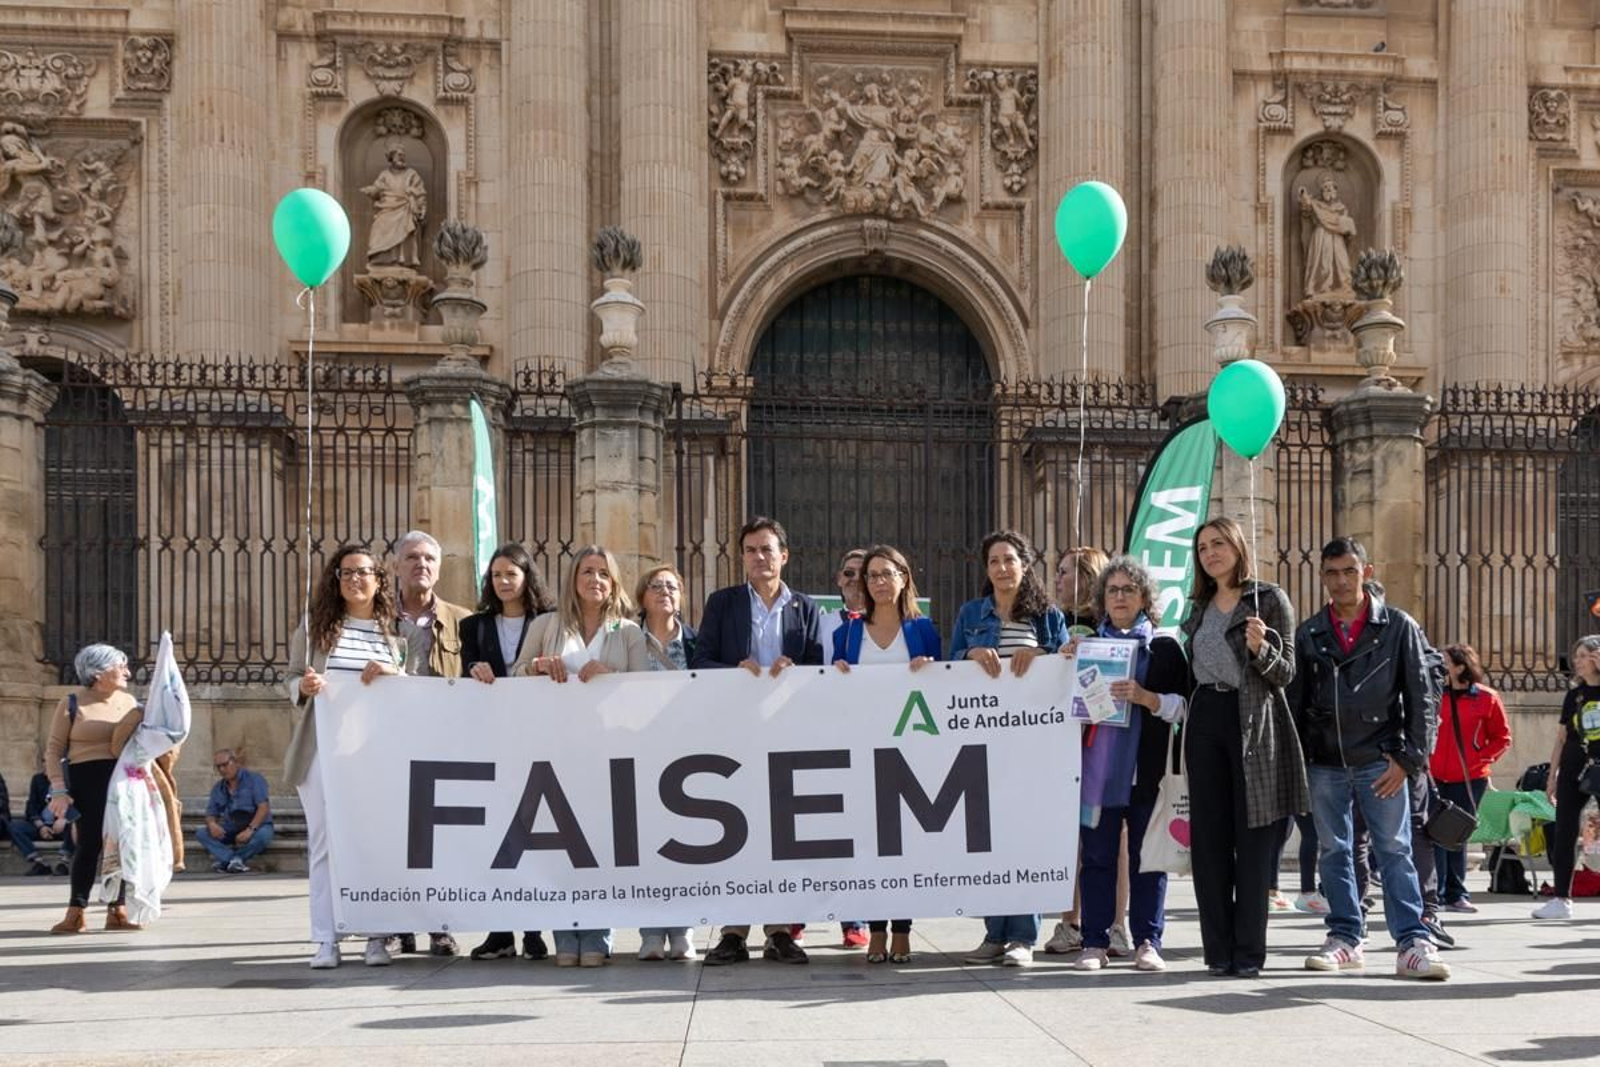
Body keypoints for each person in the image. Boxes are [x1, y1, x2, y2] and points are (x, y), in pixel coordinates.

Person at [1290, 536, 1449, 980]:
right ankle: (1345, 937)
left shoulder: (1398, 626)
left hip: (1382, 759)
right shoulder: (1309, 632)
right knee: (1334, 851)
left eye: (1349, 571)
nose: (1341, 581)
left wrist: (1409, 759)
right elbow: (1296, 702)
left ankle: (1412, 941)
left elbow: (1421, 696)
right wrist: (1300, 763)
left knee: (1394, 849)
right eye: (1332, 573)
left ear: (1367, 573)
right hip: (1324, 761)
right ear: (1322, 576)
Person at [693, 516, 824, 966]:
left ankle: (779, 931)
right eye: (750, 550)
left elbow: (819, 670)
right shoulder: (723, 603)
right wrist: (734, 672)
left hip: (787, 737)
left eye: (767, 549)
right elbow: (700, 660)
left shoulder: (806, 608)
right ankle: (733, 932)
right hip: (734, 736)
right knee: (735, 831)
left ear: (783, 556)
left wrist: (796, 672)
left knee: (782, 833)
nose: (758, 557)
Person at [1180, 517, 1308, 978]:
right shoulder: (1198, 607)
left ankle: (1249, 954)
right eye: (1202, 548)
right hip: (1205, 719)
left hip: (1252, 720)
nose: (1210, 553)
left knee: (1253, 841)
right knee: (1209, 842)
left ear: (1238, 547)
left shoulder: (1268, 599)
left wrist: (1261, 650)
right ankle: (1218, 952)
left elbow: (1287, 673)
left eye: (1218, 544)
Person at [512, 545, 646, 967]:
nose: (595, 580)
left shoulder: (628, 632)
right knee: (562, 847)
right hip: (556, 750)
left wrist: (613, 676)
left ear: (614, 582)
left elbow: (646, 689)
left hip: (609, 753)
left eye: (603, 573)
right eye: (587, 571)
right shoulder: (546, 624)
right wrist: (536, 667)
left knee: (601, 845)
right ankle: (565, 936)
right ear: (573, 578)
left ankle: (597, 936)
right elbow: (514, 674)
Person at [951, 529, 1068, 968]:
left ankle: (1022, 936)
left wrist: (1041, 655)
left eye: (1009, 559)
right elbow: (950, 662)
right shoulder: (971, 613)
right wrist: (970, 654)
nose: (1002, 568)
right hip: (983, 741)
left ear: (1024, 564)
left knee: (1025, 837)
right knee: (987, 837)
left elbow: (1065, 662)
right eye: (994, 561)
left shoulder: (1048, 616)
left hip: (1032, 743)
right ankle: (993, 934)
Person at [1066, 555, 1188, 973]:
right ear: (1102, 598)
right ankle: (1094, 942)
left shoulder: (1164, 648)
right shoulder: (1084, 647)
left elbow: (1183, 708)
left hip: (1145, 774)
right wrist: (1065, 662)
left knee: (1147, 860)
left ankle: (1148, 941)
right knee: (1097, 858)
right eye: (1112, 590)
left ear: (1144, 598)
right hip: (1096, 776)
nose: (1120, 597)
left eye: (1129, 590)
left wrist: (1146, 698)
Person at [286, 544, 405, 968]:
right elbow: (290, 678)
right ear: (335, 580)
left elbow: (414, 686)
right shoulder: (314, 629)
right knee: (323, 844)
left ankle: (376, 936)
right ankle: (325, 938)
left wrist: (393, 673)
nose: (355, 579)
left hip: (375, 753)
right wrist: (302, 687)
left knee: (373, 842)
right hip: (321, 749)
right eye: (346, 572)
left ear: (378, 579)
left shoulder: (395, 632)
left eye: (364, 572)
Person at [830, 544, 940, 964]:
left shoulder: (923, 629)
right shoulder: (847, 634)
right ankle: (876, 929)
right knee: (872, 846)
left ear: (903, 578)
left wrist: (931, 669)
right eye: (871, 575)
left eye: (886, 574)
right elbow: (831, 692)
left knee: (905, 846)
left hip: (912, 750)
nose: (878, 582)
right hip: (863, 752)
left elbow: (946, 684)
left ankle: (902, 931)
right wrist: (836, 673)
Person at [460, 542, 556, 963]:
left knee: (532, 831)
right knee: (497, 832)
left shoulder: (548, 621)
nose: (503, 582)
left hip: (537, 737)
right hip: (493, 739)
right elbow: (466, 671)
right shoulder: (474, 627)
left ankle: (534, 928)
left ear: (526, 577)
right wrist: (474, 670)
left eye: (510, 574)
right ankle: (500, 931)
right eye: (496, 575)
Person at [393, 529, 470, 958]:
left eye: (428, 559)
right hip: (389, 745)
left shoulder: (462, 620)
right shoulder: (375, 618)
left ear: (439, 569)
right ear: (395, 566)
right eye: (412, 558)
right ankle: (398, 924)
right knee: (394, 837)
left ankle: (441, 925)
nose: (421, 565)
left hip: (443, 745)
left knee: (440, 841)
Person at [1044, 546, 1124, 956]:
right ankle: (1070, 921)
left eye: (1064, 572)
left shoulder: (1111, 624)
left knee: (1114, 834)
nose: (1057, 579)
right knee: (1069, 833)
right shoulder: (1054, 622)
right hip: (1064, 740)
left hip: (1105, 741)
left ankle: (1118, 924)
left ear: (1088, 576)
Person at [45, 644, 144, 934]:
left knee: (122, 844)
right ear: (98, 673)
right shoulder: (72, 702)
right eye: (120, 666)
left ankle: (117, 910)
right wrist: (59, 789)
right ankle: (76, 913)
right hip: (86, 780)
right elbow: (53, 749)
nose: (127, 672)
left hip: (122, 779)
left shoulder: (130, 702)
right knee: (89, 844)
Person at [635, 563, 699, 962]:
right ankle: (650, 932)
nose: (665, 592)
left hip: (685, 753)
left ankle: (683, 929)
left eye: (672, 586)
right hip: (639, 751)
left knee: (686, 843)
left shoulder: (696, 642)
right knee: (646, 843)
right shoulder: (626, 640)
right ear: (642, 597)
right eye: (656, 586)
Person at [816, 547, 872, 951]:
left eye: (863, 574)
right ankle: (797, 915)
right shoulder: (821, 623)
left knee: (859, 832)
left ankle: (855, 917)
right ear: (838, 580)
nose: (855, 581)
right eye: (849, 573)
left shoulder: (891, 625)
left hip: (869, 738)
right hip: (823, 735)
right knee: (814, 829)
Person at [1431, 643, 1511, 913]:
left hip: (1469, 777)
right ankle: (1435, 893)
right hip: (1433, 775)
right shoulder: (1433, 695)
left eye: (1444, 662)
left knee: (1456, 834)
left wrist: (1479, 758)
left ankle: (1456, 893)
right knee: (1433, 833)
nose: (1439, 666)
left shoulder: (1487, 698)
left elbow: (1502, 737)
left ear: (1460, 667)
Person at [1534, 634, 1600, 920]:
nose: (1577, 661)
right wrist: (1552, 776)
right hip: (1574, 766)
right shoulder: (1575, 695)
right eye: (1576, 656)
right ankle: (1561, 898)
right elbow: (1561, 738)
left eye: (1584, 656)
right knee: (1564, 831)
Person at [195, 750, 273, 873]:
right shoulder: (218, 788)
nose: (222, 770)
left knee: (263, 837)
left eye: (225, 764)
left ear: (236, 762)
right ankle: (233, 860)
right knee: (202, 833)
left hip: (257, 824)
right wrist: (212, 824)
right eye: (218, 767)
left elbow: (263, 807)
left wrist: (250, 830)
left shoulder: (254, 779)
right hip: (232, 825)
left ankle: (228, 861)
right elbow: (211, 812)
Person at [7, 749, 76, 876]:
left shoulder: (70, 780)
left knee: (76, 825)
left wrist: (65, 819)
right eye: (44, 761)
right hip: (42, 826)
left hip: (62, 827)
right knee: (14, 826)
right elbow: (31, 806)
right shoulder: (38, 779)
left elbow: (79, 805)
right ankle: (39, 862)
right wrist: (41, 826)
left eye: (50, 761)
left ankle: (63, 863)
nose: (46, 764)